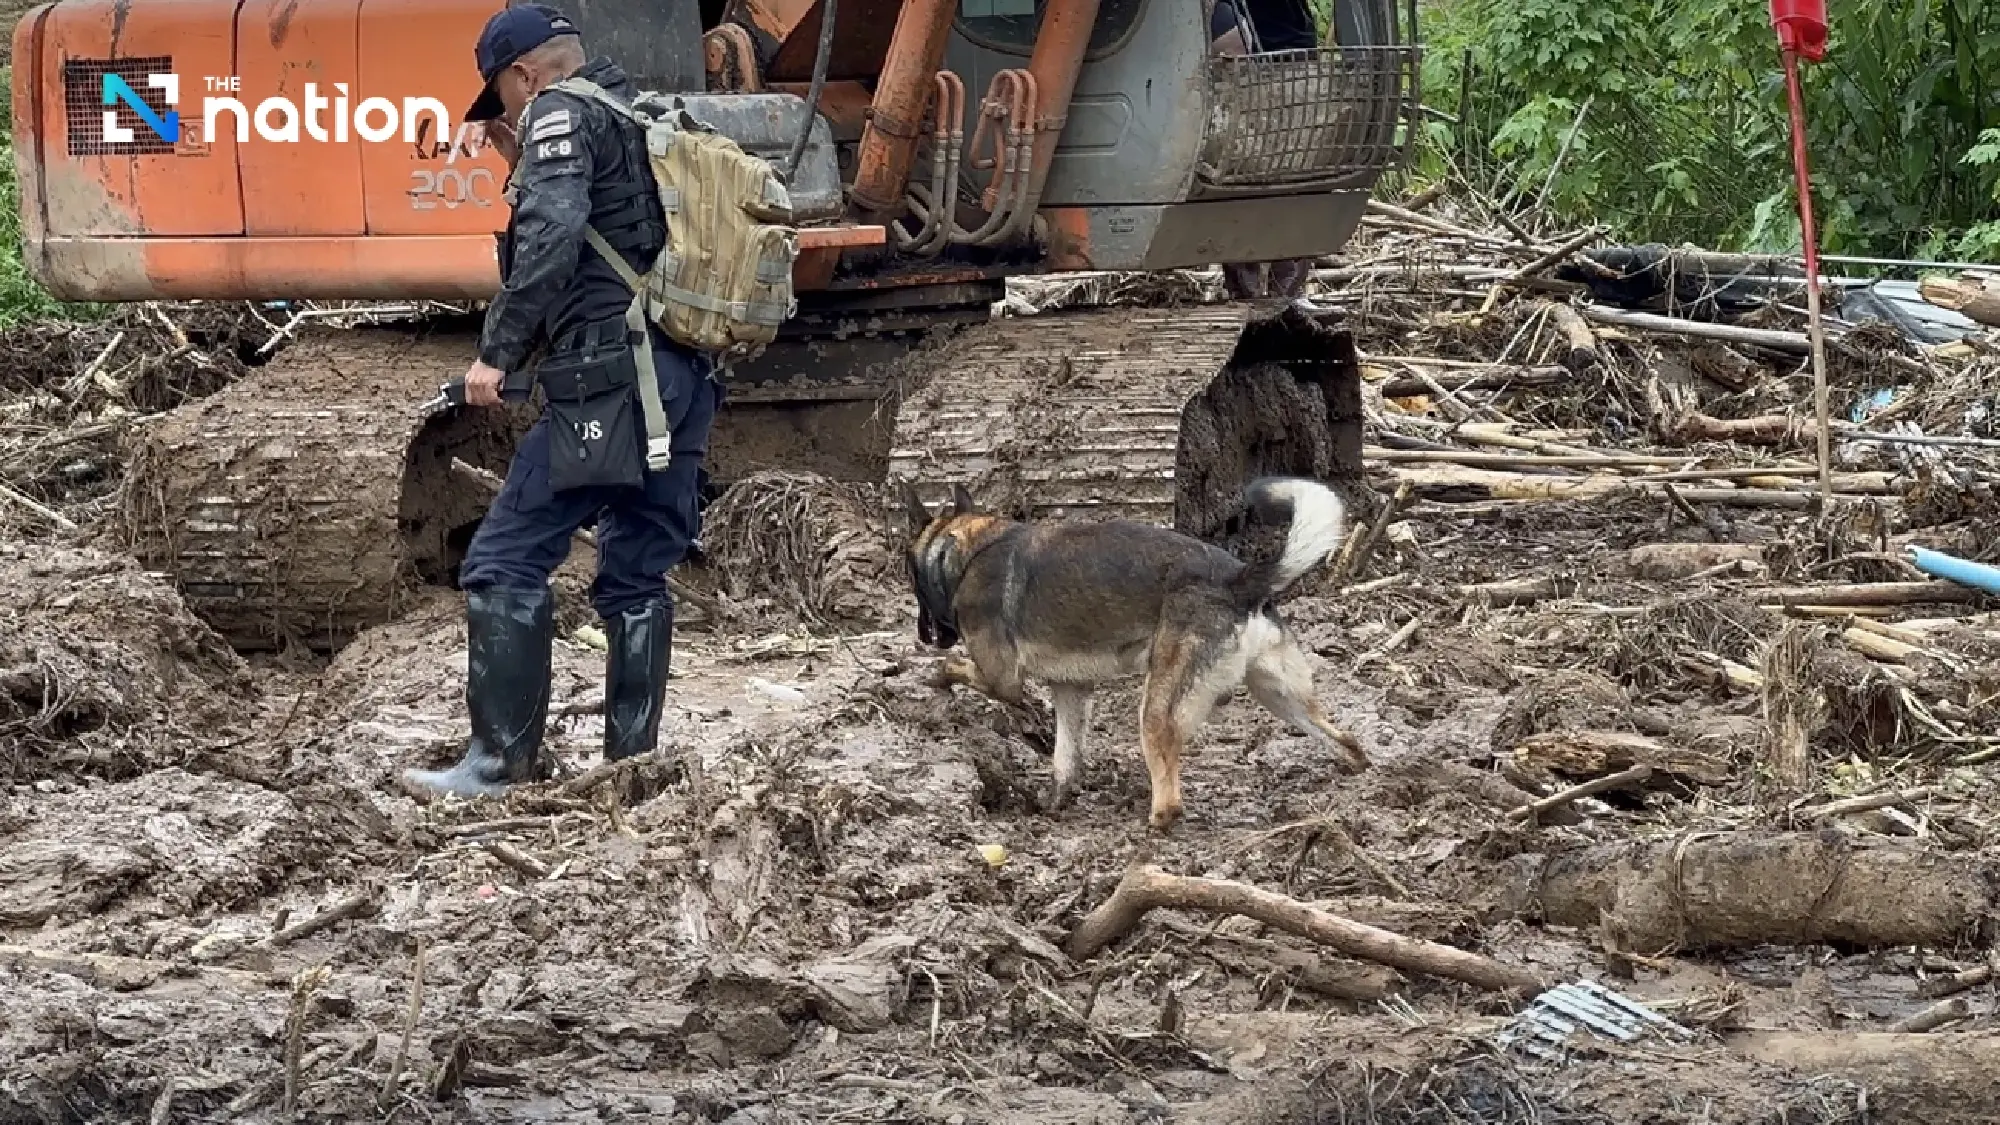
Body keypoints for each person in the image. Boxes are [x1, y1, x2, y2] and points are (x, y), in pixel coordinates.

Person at [405, 4, 720, 798]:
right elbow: (617, 225)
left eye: (505, 97)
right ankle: (632, 769)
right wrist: (517, 156)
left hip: (609, 381)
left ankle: (496, 767)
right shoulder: (636, 111)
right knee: (636, 574)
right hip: (680, 374)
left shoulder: (557, 112)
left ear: (524, 75)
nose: (509, 113)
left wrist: (495, 354)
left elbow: (552, 233)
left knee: (504, 557)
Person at [1211, 0, 1324, 305]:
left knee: (1298, 171)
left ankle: (1285, 292)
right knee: (1239, 168)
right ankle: (1245, 291)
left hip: (1290, 47)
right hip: (1242, 48)